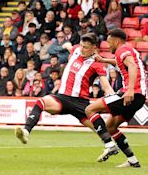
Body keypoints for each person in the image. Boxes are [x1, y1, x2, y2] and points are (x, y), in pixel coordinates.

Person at [15, 33, 115, 150]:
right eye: (81, 46)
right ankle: (26, 131)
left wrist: (113, 97)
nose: (82, 49)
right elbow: (69, 46)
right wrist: (65, 45)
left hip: (80, 102)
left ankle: (111, 145)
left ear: (94, 48)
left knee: (102, 128)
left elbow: (106, 86)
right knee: (41, 102)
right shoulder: (77, 50)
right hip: (62, 98)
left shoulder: (97, 63)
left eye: (86, 47)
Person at [85, 28, 147, 167]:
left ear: (116, 40)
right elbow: (121, 63)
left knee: (90, 109)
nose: (108, 45)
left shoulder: (122, 49)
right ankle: (132, 160)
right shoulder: (127, 50)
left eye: (109, 42)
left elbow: (131, 65)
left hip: (131, 93)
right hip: (138, 96)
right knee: (110, 127)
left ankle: (109, 145)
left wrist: (130, 89)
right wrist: (103, 60)